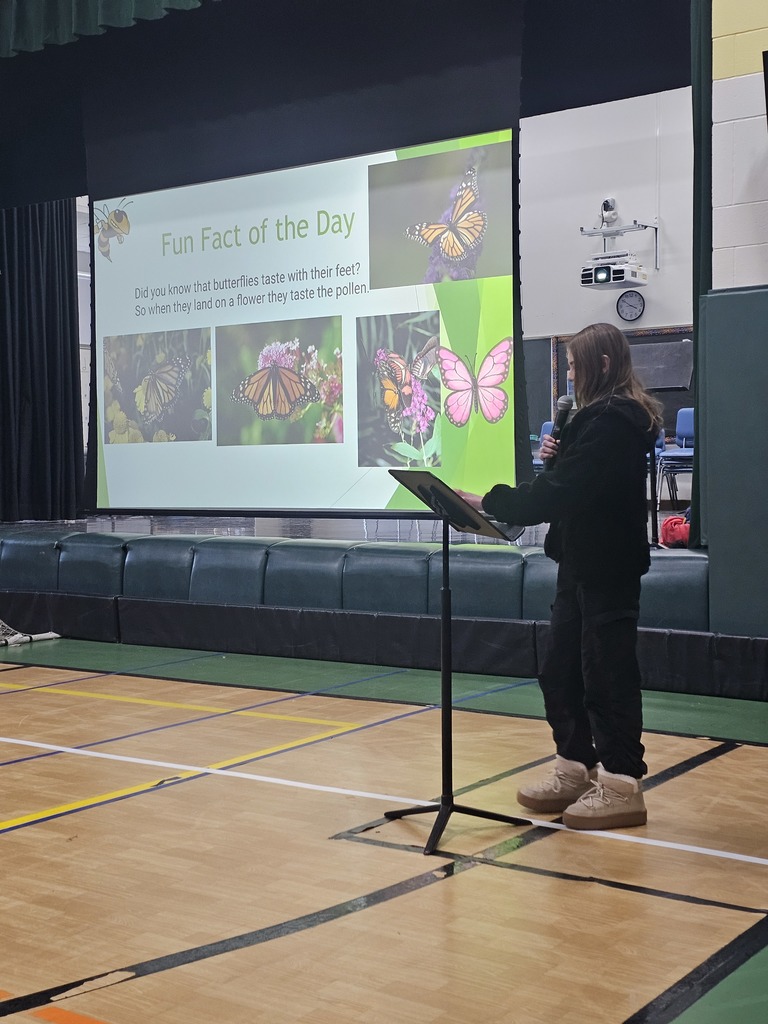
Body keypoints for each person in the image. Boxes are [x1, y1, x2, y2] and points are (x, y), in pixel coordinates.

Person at [460, 323, 663, 830]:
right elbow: (568, 481)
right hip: (576, 563)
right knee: (560, 669)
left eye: (574, 364)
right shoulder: (590, 419)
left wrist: (490, 500)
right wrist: (558, 455)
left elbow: (564, 491)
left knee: (607, 674)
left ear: (602, 365)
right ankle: (574, 767)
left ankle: (620, 783)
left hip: (607, 567)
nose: (567, 374)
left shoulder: (615, 421)